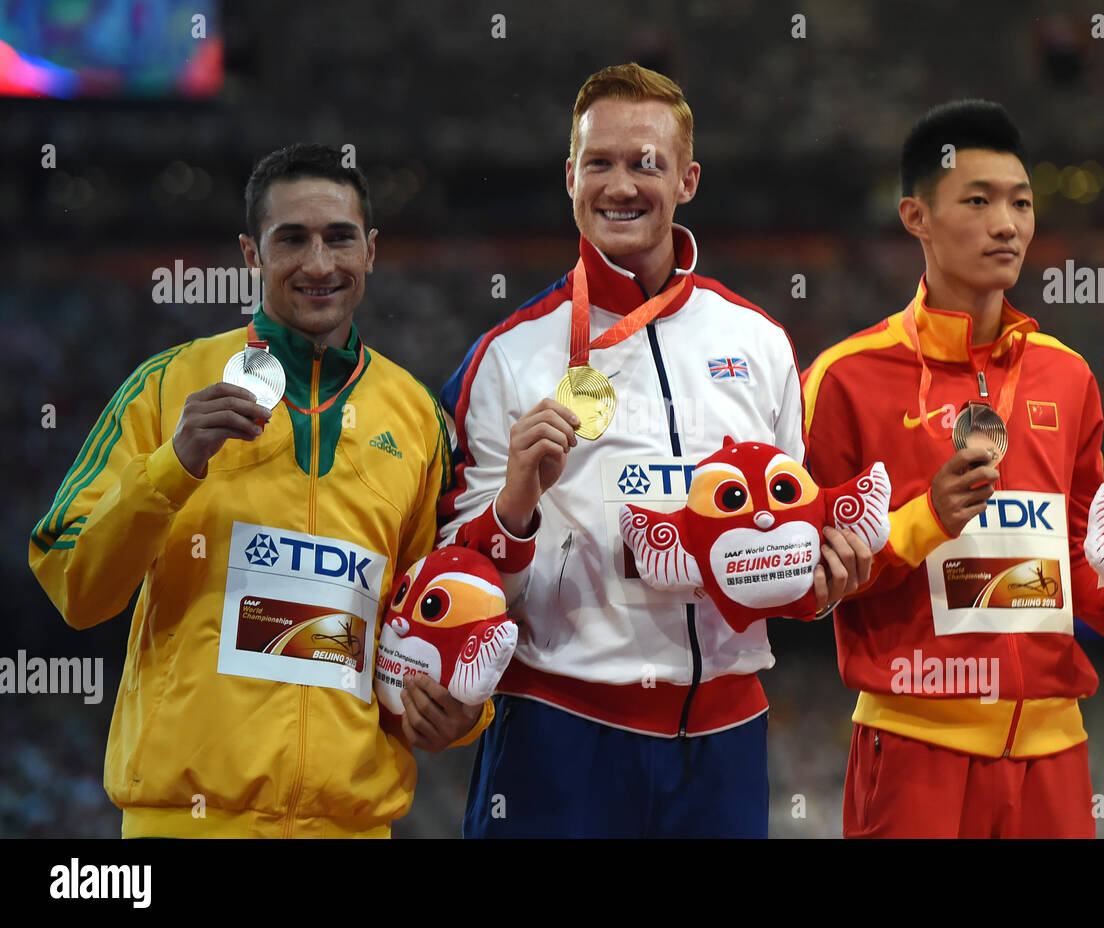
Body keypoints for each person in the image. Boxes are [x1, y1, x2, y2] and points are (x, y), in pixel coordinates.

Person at [437, 62, 873, 838]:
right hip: (558, 737)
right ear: (570, 175)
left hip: (723, 747)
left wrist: (822, 583)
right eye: (599, 162)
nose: (621, 184)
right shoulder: (506, 357)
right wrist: (514, 506)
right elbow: (464, 588)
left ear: (688, 179)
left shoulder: (760, 341)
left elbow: (785, 543)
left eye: (647, 163)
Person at [801, 100, 1104, 838]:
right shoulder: (844, 379)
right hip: (915, 745)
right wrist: (924, 519)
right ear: (917, 216)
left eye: (1022, 202)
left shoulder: (1068, 376)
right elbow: (809, 578)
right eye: (978, 200)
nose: (1008, 224)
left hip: (1054, 753)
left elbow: (1084, 558)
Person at [29, 143, 487, 838]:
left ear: (371, 252)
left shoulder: (418, 420)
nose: (317, 264)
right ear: (252, 255)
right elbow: (74, 587)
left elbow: (429, 612)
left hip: (351, 827)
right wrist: (173, 464)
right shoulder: (167, 387)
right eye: (290, 240)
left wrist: (458, 713)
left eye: (338, 239)